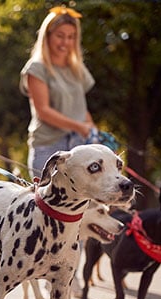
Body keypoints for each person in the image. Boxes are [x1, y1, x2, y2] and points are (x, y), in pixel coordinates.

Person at [20, 6, 96, 179]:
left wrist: (95, 135)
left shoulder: (76, 69)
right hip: (49, 147)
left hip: (79, 145)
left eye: (71, 37)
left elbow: (80, 108)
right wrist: (80, 126)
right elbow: (43, 111)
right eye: (60, 36)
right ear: (47, 36)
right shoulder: (36, 69)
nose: (65, 42)